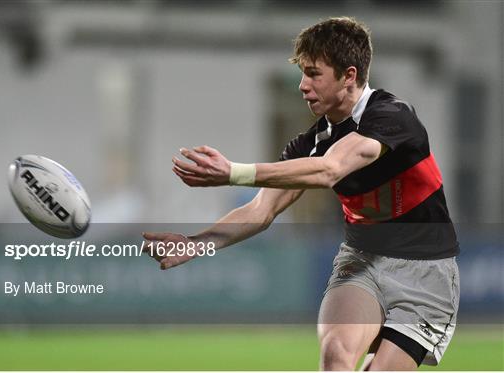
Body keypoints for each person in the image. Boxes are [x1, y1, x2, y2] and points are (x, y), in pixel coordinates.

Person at [143, 17, 459, 371]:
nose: (303, 85)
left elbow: (330, 170)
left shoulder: (393, 117)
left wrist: (234, 172)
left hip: (425, 272)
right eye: (303, 74)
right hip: (362, 263)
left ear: (349, 75)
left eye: (313, 74)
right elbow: (261, 211)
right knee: (337, 354)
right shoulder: (308, 144)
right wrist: (193, 244)